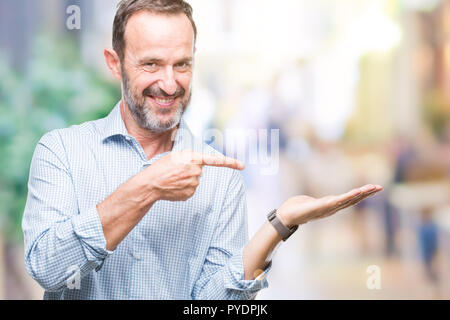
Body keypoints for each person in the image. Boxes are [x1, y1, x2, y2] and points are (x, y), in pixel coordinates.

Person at [22, 0, 383, 300]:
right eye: (151, 64)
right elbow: (49, 269)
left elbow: (214, 304)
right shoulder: (62, 152)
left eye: (182, 64)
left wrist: (279, 224)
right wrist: (149, 185)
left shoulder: (219, 176)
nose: (169, 83)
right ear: (115, 63)